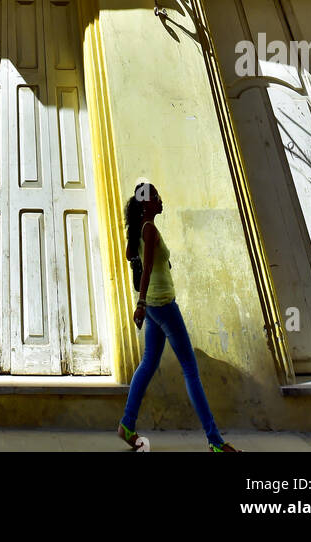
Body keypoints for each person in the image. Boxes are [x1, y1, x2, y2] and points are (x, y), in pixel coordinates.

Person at [117, 181, 238, 453]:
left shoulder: (140, 230)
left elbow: (130, 256)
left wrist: (144, 305)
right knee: (191, 371)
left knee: (148, 363)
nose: (161, 200)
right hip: (162, 306)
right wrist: (141, 304)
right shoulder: (148, 231)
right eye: (156, 196)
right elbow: (146, 269)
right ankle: (216, 441)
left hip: (155, 307)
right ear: (147, 204)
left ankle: (127, 424)